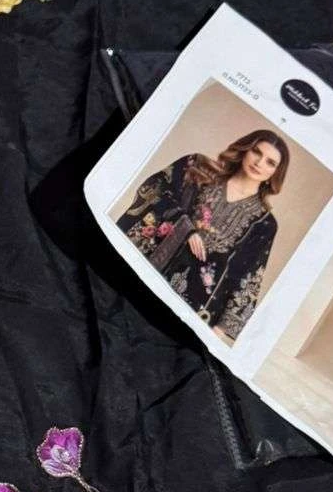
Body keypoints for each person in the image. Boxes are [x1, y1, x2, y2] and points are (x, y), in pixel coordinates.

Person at [116, 129, 288, 341]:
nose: (260, 163)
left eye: (270, 162)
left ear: (276, 173)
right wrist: (184, 226)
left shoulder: (264, 223)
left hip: (193, 307)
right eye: (256, 152)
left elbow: (249, 275)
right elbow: (156, 188)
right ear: (245, 149)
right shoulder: (198, 168)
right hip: (144, 269)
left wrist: (220, 331)